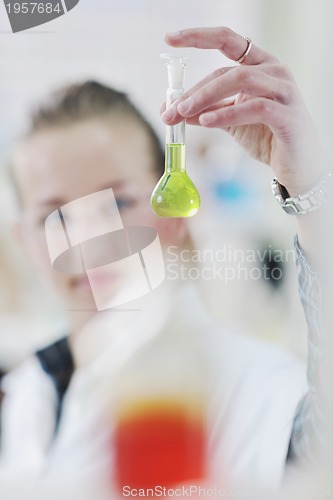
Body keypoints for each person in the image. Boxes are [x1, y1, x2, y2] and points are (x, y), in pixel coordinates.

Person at [0, 26, 328, 498]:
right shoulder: (28, 394)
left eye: (118, 205)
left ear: (174, 211)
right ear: (27, 241)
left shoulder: (255, 384)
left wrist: (312, 192)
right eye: (57, 217)